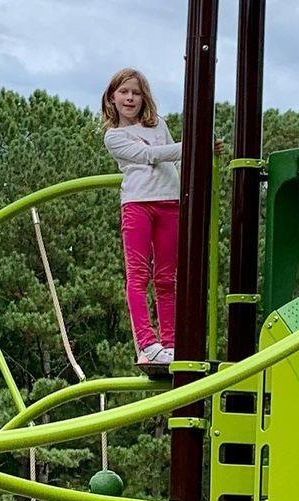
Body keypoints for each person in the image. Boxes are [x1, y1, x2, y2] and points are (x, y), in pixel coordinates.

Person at [101, 68, 182, 368]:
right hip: (137, 204)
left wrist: (200, 153)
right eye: (124, 92)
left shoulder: (158, 125)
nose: (130, 98)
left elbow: (173, 156)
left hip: (169, 204)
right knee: (138, 275)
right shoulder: (115, 136)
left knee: (166, 277)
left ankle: (172, 343)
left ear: (143, 97)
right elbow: (150, 156)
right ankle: (148, 344)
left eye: (136, 92)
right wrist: (192, 146)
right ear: (112, 98)